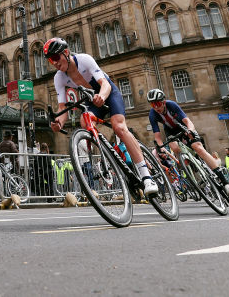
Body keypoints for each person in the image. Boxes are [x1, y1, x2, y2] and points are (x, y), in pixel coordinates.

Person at [46, 38, 158, 196]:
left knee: (119, 127)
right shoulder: (59, 78)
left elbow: (105, 84)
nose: (55, 63)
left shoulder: (84, 60)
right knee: (84, 121)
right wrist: (58, 123)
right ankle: (107, 152)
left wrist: (102, 96)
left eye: (56, 57)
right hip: (92, 100)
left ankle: (147, 178)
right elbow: (62, 108)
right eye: (51, 60)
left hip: (108, 93)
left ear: (65, 52)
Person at [146, 88, 229, 195]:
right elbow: (157, 136)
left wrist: (190, 131)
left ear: (163, 102)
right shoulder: (152, 114)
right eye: (152, 105)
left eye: (157, 103)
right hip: (170, 131)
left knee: (198, 147)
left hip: (182, 126)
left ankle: (226, 183)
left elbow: (187, 121)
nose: (156, 107)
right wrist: (161, 148)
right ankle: (193, 171)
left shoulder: (171, 105)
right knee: (174, 148)